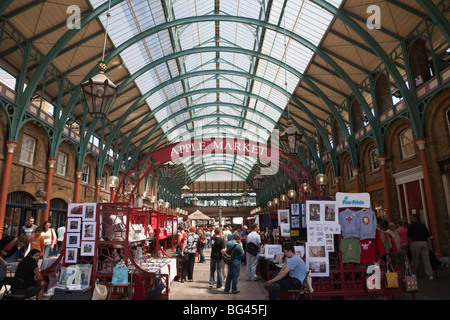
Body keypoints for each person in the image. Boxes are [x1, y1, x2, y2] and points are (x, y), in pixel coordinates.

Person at [407, 214, 434, 280]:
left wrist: (411, 242)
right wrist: (430, 245)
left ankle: (413, 273)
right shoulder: (423, 225)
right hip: (424, 243)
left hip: (415, 243)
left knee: (415, 259)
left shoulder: (411, 226)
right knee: (426, 259)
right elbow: (428, 237)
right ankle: (430, 274)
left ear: (413, 218)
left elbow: (409, 236)